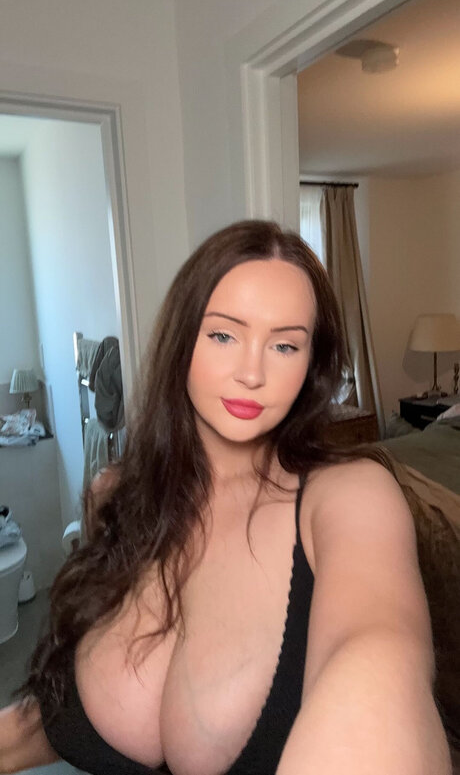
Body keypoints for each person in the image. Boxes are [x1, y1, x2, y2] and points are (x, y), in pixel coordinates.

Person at [0, 220, 452, 775]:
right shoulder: (117, 495)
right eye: (223, 335)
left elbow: (380, 659)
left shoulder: (351, 499)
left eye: (284, 345)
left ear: (311, 365)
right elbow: (59, 715)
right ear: (182, 339)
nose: (252, 373)